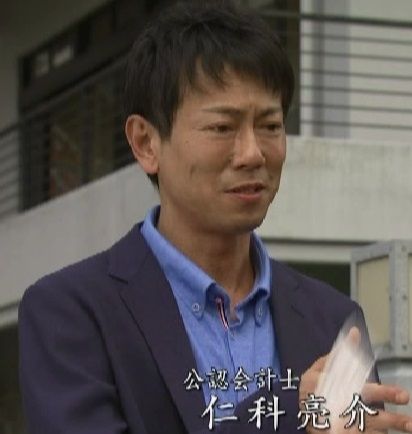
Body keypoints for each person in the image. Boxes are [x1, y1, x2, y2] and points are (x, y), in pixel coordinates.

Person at [18, 1, 411, 433]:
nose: (253, 153)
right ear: (146, 143)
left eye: (270, 125)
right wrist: (291, 414)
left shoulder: (333, 318)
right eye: (222, 127)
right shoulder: (71, 313)